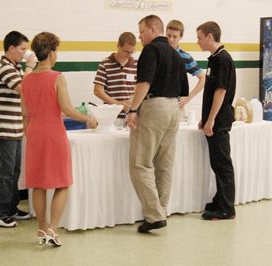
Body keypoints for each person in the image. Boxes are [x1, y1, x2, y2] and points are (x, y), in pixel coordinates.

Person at [21, 32, 97, 246]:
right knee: (62, 182)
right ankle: (53, 229)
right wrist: (88, 119)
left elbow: (24, 113)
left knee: (38, 184)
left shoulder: (26, 80)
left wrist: (29, 130)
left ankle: (41, 229)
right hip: (54, 133)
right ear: (52, 52)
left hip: (34, 133)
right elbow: (67, 109)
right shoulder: (57, 77)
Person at [127, 15, 189, 233]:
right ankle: (160, 211)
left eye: (141, 31)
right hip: (174, 108)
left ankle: (154, 215)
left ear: (153, 30)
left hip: (155, 105)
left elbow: (144, 82)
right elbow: (184, 89)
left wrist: (133, 109)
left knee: (140, 163)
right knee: (164, 165)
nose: (139, 37)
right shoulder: (175, 53)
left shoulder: (151, 50)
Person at [0, 31, 37, 228]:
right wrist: (30, 66)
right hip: (2, 127)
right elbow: (25, 88)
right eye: (23, 49)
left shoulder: (15, 67)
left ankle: (10, 208)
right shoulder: (4, 67)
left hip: (13, 127)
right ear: (11, 48)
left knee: (14, 171)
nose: (25, 53)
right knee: (4, 172)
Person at [196, 21, 236, 220]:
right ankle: (220, 199)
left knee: (222, 164)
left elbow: (221, 92)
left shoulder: (223, 59)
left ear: (209, 36)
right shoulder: (213, 59)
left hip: (220, 121)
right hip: (212, 120)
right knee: (216, 163)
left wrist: (211, 119)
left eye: (199, 37)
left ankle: (227, 208)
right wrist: (204, 119)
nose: (197, 42)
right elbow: (210, 92)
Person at [93, 32, 137, 122]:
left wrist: (132, 101)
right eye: (126, 51)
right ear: (118, 46)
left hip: (131, 116)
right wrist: (118, 104)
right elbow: (98, 90)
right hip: (111, 117)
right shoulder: (105, 63)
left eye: (131, 52)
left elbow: (140, 88)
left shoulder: (137, 64)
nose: (128, 55)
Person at [166, 20, 205, 107]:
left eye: (175, 36)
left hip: (176, 105)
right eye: (168, 36)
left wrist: (188, 97)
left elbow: (203, 78)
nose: (171, 39)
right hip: (158, 104)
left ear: (181, 37)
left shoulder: (185, 57)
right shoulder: (158, 53)